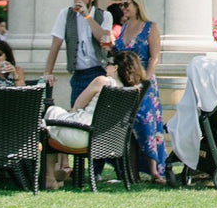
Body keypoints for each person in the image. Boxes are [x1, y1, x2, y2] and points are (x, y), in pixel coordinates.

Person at [43, 50, 150, 188]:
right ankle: (59, 171)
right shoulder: (133, 90)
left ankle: (50, 177)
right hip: (108, 140)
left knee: (51, 115)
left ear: (116, 67)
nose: (105, 67)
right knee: (55, 120)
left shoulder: (101, 81)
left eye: (109, 64)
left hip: (83, 135)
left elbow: (77, 106)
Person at [113, 0, 168, 184]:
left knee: (146, 124)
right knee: (127, 126)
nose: (123, 8)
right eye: (122, 4)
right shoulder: (123, 28)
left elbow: (154, 57)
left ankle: (154, 171)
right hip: (124, 84)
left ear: (137, 5)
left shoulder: (149, 28)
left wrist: (146, 79)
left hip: (144, 84)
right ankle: (130, 171)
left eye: (126, 4)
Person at [43, 0, 113, 105]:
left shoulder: (105, 15)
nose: (78, 0)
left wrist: (87, 16)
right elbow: (56, 43)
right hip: (78, 73)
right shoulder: (65, 14)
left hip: (99, 71)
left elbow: (105, 43)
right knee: (76, 112)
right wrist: (48, 72)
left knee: (97, 113)